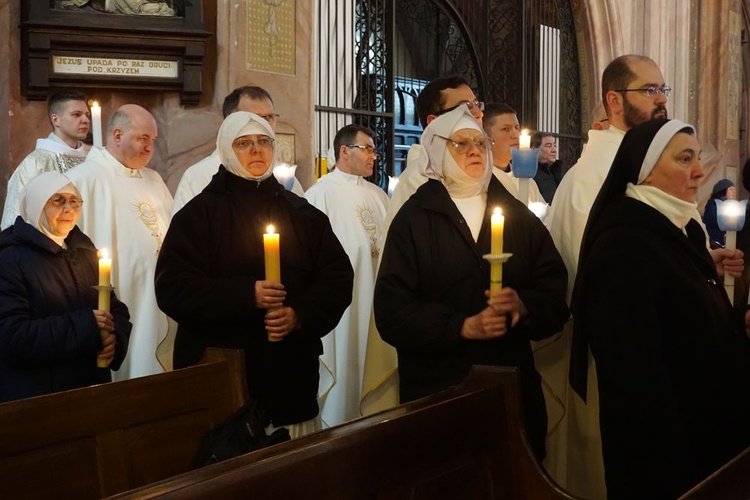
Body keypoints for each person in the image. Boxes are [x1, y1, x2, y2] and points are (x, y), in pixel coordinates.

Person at [374, 105, 569, 461]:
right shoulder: (413, 220)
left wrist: (524, 306)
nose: (475, 151)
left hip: (509, 391)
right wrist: (460, 327)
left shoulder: (519, 217)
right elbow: (392, 312)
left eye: (479, 142)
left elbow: (555, 294)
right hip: (438, 394)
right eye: (460, 144)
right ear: (436, 149)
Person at [572, 118, 750, 498]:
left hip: (708, 444)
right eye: (685, 159)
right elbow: (636, 385)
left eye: (697, 157)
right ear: (645, 171)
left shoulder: (669, 228)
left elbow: (680, 314)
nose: (700, 171)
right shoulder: (624, 246)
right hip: (673, 465)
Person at [155, 111, 354, 438]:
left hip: (289, 376)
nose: (256, 150)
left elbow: (337, 278)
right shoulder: (198, 216)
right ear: (226, 150)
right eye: (244, 143)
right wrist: (246, 295)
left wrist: (300, 315)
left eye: (263, 142)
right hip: (224, 377)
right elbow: (172, 288)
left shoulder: (303, 214)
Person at [0, 172, 131, 402]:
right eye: (58, 200)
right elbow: (13, 337)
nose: (69, 208)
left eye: (74, 201)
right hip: (39, 397)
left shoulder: (84, 249)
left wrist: (115, 339)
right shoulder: (10, 257)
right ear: (36, 204)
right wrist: (86, 326)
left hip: (91, 389)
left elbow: (115, 309)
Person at [65, 104, 173, 381]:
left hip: (160, 291)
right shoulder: (82, 180)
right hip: (119, 293)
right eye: (143, 139)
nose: (151, 148)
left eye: (154, 140)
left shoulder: (155, 180)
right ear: (116, 135)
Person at [305, 124, 389, 427]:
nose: (374, 156)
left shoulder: (379, 196)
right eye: (366, 149)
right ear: (344, 151)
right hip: (345, 306)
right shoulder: (319, 194)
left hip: (378, 301)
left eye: (373, 150)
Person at [172, 85, 304, 215]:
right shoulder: (198, 176)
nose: (265, 124)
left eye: (270, 117)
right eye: (255, 118)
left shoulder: (284, 177)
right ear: (230, 122)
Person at [2, 91, 91, 229]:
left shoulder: (94, 158)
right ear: (56, 120)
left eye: (87, 115)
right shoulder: (37, 163)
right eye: (76, 115)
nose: (85, 120)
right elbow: (16, 216)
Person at [481, 103, 545, 204]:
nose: (516, 135)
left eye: (516, 128)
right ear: (485, 137)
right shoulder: (480, 181)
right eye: (506, 129)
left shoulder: (528, 182)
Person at [531, 131, 564, 203]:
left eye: (554, 145)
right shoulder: (530, 174)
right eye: (548, 146)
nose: (554, 150)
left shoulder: (557, 170)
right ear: (534, 150)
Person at [702, 178, 736, 247]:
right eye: (731, 189)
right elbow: (715, 221)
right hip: (716, 242)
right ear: (723, 190)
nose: (734, 192)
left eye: (734, 190)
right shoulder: (713, 204)